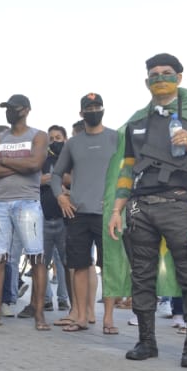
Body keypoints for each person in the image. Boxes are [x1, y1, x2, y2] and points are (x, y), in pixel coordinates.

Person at [105, 53, 187, 368]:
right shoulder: (136, 122)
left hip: (180, 206)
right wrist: (117, 209)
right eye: (154, 75)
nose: (161, 79)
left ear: (180, 78)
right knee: (142, 276)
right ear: (147, 82)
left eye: (167, 73)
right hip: (140, 208)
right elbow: (126, 169)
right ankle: (146, 342)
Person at [0, 95, 50, 330]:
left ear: (26, 110)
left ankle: (39, 314)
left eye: (14, 108)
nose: (10, 112)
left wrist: (5, 159)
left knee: (36, 257)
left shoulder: (38, 136)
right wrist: (20, 165)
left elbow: (35, 165)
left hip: (28, 201)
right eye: (7, 108)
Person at [51, 94, 119, 334]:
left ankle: (108, 318)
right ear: (81, 113)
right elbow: (57, 174)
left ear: (103, 109)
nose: (93, 110)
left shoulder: (116, 138)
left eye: (97, 106)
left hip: (107, 214)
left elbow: (127, 171)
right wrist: (60, 196)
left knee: (108, 267)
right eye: (88, 108)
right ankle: (80, 316)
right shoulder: (73, 143)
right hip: (78, 214)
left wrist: (120, 202)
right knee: (79, 266)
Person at [38, 125, 70, 316]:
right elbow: (35, 180)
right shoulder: (42, 160)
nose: (54, 141)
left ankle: (64, 299)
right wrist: (44, 179)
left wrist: (57, 178)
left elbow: (73, 180)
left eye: (58, 137)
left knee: (65, 263)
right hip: (44, 216)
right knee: (42, 261)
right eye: (51, 138)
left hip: (66, 218)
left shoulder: (70, 159)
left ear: (65, 139)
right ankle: (46, 300)